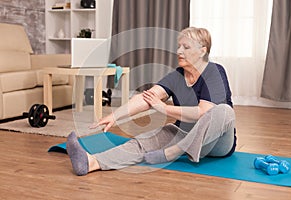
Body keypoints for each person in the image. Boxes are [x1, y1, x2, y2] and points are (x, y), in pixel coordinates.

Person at [66, 27, 237, 176]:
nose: (179, 51)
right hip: (182, 133)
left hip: (215, 143)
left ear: (202, 51)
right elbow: (146, 98)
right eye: (178, 46)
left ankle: (175, 152)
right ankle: (91, 163)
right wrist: (115, 116)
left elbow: (201, 112)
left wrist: (164, 108)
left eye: (186, 47)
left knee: (224, 111)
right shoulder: (176, 76)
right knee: (143, 142)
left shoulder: (214, 71)